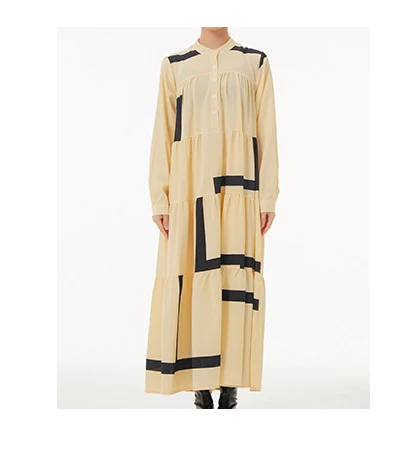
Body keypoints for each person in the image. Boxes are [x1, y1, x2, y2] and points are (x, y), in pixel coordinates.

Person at [145, 27, 279, 409]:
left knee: (234, 280)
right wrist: (160, 198)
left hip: (240, 189)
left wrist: (268, 194)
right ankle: (200, 382)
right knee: (195, 276)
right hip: (190, 188)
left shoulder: (255, 62)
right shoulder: (175, 65)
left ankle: (231, 380)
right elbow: (162, 135)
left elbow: (267, 133)